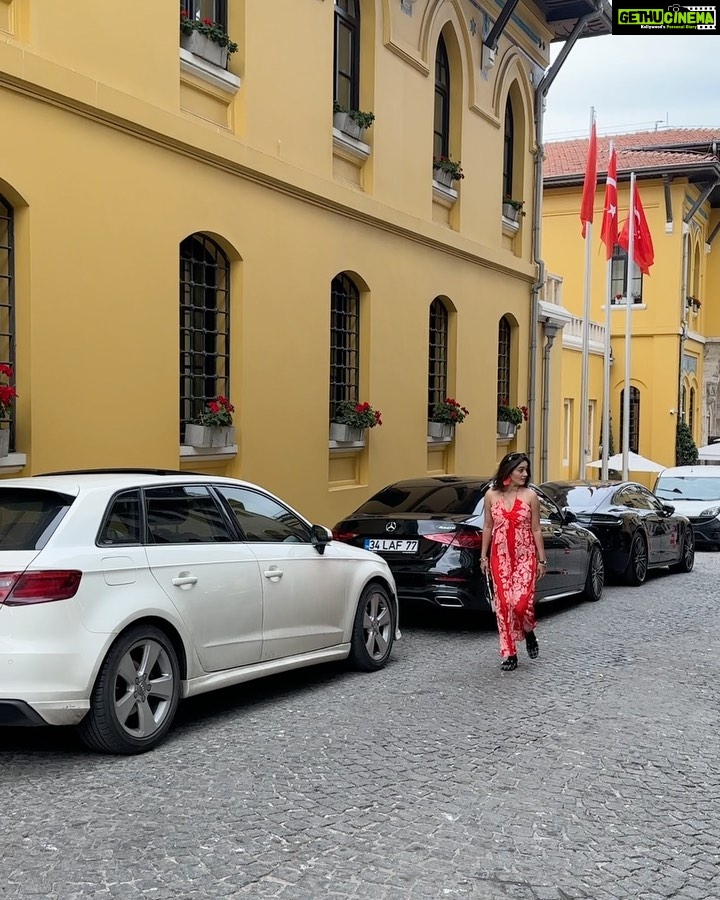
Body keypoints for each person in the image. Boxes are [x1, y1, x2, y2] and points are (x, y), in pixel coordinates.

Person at [480, 452, 546, 671]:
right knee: (503, 605)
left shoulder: (530, 496)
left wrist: (541, 560)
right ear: (508, 471)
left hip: (525, 556)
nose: (525, 474)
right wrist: (483, 556)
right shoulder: (490, 495)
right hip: (499, 557)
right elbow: (488, 526)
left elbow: (536, 528)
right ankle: (509, 653)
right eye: (521, 470)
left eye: (526, 470)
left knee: (520, 603)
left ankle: (528, 631)